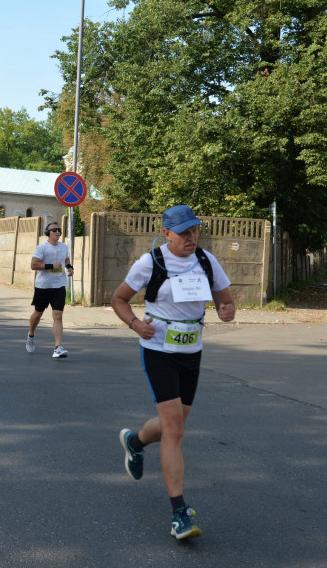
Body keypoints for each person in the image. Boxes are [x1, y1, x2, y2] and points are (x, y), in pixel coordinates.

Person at [109, 205, 236, 541]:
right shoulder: (150, 262)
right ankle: (179, 513)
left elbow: (227, 301)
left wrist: (227, 311)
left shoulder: (207, 261)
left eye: (194, 230)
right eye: (183, 232)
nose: (191, 237)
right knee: (175, 430)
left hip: (191, 353)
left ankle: (135, 442)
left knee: (174, 421)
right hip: (159, 351)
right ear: (166, 233)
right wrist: (136, 324)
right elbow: (119, 299)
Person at [27, 222, 73, 358]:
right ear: (48, 232)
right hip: (43, 286)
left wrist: (69, 267)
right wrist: (50, 265)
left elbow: (66, 259)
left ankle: (57, 347)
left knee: (58, 316)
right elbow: (33, 265)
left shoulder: (64, 247)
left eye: (59, 230)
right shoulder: (42, 247)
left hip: (59, 285)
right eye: (54, 230)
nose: (57, 232)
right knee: (38, 314)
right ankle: (31, 335)